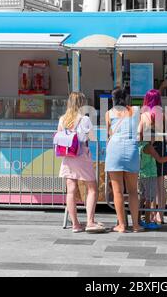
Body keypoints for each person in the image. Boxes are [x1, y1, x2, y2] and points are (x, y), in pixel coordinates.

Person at [58, 92, 105, 233]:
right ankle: (90, 221)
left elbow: (60, 137)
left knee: (71, 191)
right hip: (82, 156)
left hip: (67, 157)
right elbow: (91, 137)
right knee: (92, 188)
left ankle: (75, 224)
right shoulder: (84, 119)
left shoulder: (62, 119)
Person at [105, 88, 144, 233]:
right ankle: (136, 225)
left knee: (117, 191)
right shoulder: (135, 110)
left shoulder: (108, 113)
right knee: (133, 191)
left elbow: (108, 133)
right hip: (131, 149)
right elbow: (142, 127)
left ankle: (121, 225)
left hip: (114, 149)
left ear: (113, 99)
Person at [141, 89, 167, 224]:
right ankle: (160, 215)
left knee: (150, 184)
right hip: (161, 148)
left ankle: (151, 215)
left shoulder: (144, 115)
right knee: (160, 184)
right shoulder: (163, 115)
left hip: (148, 150)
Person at [138, 141, 167, 229]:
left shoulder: (139, 145)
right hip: (150, 175)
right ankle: (147, 221)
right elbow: (160, 160)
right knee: (149, 199)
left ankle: (138, 219)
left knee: (142, 198)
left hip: (141, 175)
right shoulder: (149, 147)